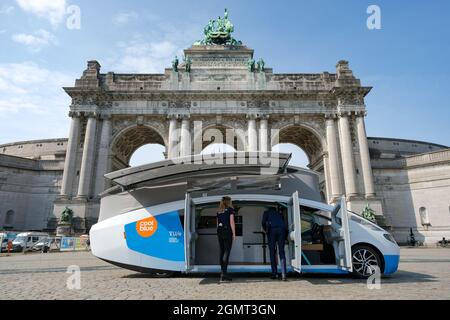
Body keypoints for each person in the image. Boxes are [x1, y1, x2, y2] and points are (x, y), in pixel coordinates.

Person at [262, 205, 287, 281]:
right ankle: (283, 274)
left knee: (272, 252)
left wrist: (265, 230)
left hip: (272, 231)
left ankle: (275, 274)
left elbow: (263, 222)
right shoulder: (279, 213)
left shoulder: (266, 213)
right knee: (281, 252)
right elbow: (283, 222)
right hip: (281, 231)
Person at [216, 196, 236, 282]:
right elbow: (232, 222)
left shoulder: (219, 211)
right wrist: (234, 234)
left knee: (222, 251)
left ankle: (222, 273)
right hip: (227, 231)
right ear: (228, 202)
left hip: (219, 231)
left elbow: (217, 223)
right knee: (227, 252)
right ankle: (224, 274)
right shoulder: (230, 210)